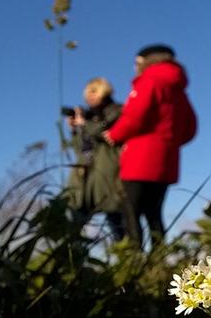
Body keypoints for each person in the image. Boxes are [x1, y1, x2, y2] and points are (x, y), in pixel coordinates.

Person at [104, 44, 197, 247]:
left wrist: (114, 134)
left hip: (140, 159)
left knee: (131, 209)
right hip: (167, 160)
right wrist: (168, 143)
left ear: (144, 61)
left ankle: (134, 257)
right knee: (154, 213)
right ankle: (158, 260)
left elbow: (135, 115)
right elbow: (190, 128)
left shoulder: (149, 80)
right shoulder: (179, 90)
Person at [64, 77, 126, 239]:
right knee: (75, 218)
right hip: (84, 176)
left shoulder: (116, 111)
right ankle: (72, 257)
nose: (90, 97)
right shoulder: (88, 118)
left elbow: (107, 135)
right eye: (87, 93)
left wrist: (85, 124)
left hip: (107, 173)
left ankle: (127, 256)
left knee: (115, 217)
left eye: (94, 91)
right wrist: (74, 130)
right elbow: (80, 149)